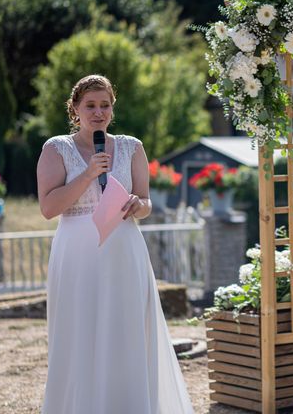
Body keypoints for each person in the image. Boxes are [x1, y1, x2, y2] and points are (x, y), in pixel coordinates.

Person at [37, 74, 193, 414]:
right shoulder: (56, 148)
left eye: (105, 105)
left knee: (126, 332)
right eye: (90, 105)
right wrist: (89, 174)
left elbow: (148, 202)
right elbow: (49, 208)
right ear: (75, 109)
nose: (98, 112)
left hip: (124, 249)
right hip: (77, 252)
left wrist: (140, 205)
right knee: (81, 334)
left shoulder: (131, 146)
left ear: (113, 109)